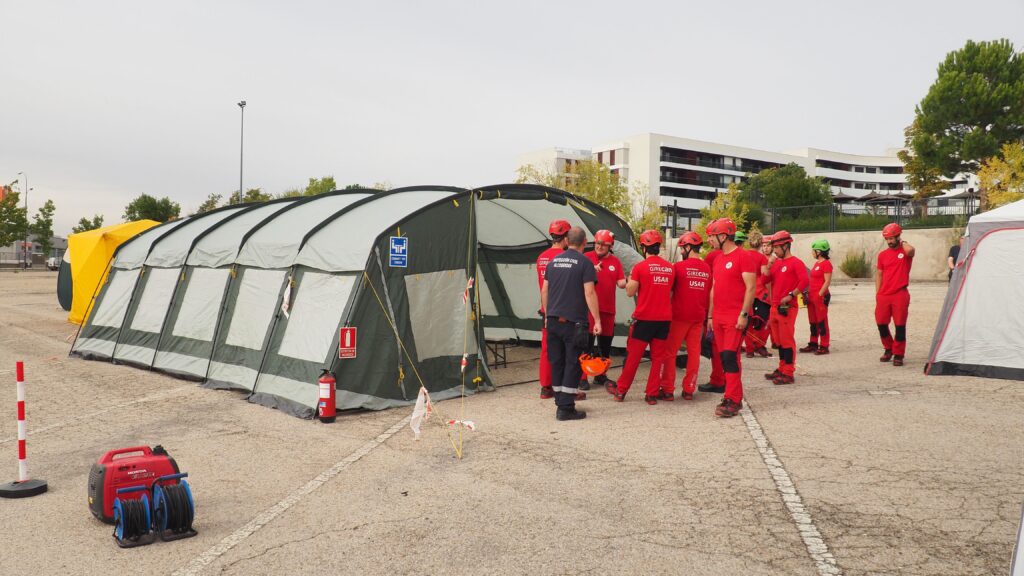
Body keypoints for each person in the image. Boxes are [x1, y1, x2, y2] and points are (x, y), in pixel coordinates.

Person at [541, 227, 601, 421]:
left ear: (566, 241)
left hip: (552, 321)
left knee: (556, 362)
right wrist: (597, 320)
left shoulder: (553, 262)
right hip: (574, 323)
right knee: (573, 363)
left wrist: (547, 314)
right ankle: (566, 408)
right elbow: (589, 293)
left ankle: (560, 399)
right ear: (584, 243)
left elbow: (545, 290)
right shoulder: (585, 263)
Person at [609, 229, 674, 405]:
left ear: (644, 248)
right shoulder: (670, 269)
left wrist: (630, 277)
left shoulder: (640, 267)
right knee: (657, 359)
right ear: (658, 247)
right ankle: (651, 394)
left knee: (633, 357)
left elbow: (630, 292)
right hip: (663, 320)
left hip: (644, 319)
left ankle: (621, 391)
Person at [704, 218, 756, 417]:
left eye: (711, 236)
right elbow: (714, 289)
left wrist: (744, 314)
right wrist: (710, 315)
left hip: (735, 316)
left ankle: (732, 399)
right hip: (717, 317)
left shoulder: (744, 257)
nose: (709, 240)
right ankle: (735, 396)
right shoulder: (717, 259)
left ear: (723, 236)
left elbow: (751, 288)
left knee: (728, 356)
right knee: (725, 357)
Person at [661, 231, 711, 401]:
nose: (681, 252)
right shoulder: (707, 268)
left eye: (683, 248)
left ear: (689, 247)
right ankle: (689, 389)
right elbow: (710, 293)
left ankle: (667, 389)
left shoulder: (678, 268)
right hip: (698, 317)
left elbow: (669, 291)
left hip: (679, 316)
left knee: (670, 352)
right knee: (694, 353)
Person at [580, 229, 627, 392]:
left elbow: (621, 283)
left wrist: (633, 278)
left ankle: (600, 375)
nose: (599, 247)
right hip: (590, 311)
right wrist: (591, 269)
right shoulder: (586, 258)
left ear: (610, 246)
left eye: (603, 244)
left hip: (608, 311)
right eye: (597, 243)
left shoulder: (615, 262)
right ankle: (582, 377)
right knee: (586, 345)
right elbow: (577, 279)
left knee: (605, 347)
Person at [764, 230, 808, 385]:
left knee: (787, 340)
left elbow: (804, 282)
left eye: (776, 247)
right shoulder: (776, 263)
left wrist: (791, 294)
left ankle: (788, 372)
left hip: (787, 308)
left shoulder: (796, 263)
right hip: (775, 307)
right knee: (778, 341)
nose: (774, 251)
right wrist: (768, 266)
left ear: (785, 246)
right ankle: (782, 368)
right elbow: (765, 279)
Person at [536, 219, 570, 399]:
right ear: (565, 238)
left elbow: (543, 286)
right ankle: (563, 386)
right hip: (562, 310)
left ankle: (545, 387)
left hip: (545, 309)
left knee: (546, 349)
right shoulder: (564, 258)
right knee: (566, 350)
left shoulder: (541, 257)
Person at [876, 223, 915, 366]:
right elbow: (879, 274)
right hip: (884, 295)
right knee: (881, 324)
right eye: (887, 239)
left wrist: (902, 242)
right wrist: (878, 293)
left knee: (900, 325)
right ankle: (888, 348)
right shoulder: (882, 255)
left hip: (900, 293)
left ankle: (898, 354)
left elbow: (911, 251)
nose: (889, 242)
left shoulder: (905, 252)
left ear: (898, 236)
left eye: (892, 238)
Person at [697, 238, 727, 393]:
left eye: (710, 236)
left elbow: (709, 284)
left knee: (716, 347)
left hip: (715, 309)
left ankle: (718, 381)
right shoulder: (735, 255)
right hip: (729, 308)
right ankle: (725, 380)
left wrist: (707, 313)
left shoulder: (713, 256)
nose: (708, 239)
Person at [800, 239, 833, 355]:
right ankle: (813, 343)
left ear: (819, 251)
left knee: (822, 321)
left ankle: (824, 345)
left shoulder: (826, 264)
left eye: (813, 251)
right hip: (812, 296)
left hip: (820, 296)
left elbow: (827, 281)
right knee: (813, 321)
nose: (812, 252)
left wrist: (820, 294)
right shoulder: (817, 264)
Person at [744, 231, 772, 358]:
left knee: (748, 321)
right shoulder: (762, 258)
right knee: (762, 321)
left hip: (746, 293)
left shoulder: (743, 255)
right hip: (760, 293)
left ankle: (749, 349)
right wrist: (770, 294)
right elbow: (765, 278)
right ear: (761, 243)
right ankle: (759, 345)